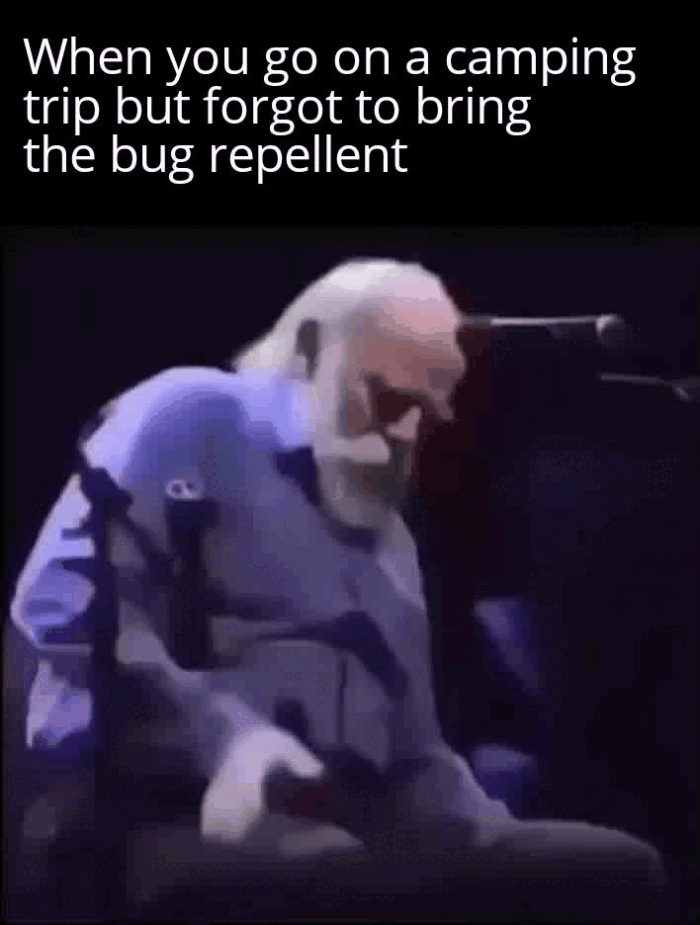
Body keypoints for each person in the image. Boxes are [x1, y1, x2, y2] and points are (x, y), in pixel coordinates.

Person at [9, 259, 665, 919]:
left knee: (615, 867)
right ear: (311, 352)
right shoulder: (190, 412)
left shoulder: (385, 529)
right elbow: (64, 607)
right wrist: (229, 741)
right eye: (389, 397)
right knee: (327, 872)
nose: (406, 432)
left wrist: (479, 827)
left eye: (424, 411)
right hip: (163, 806)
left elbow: (416, 752)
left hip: (353, 818)